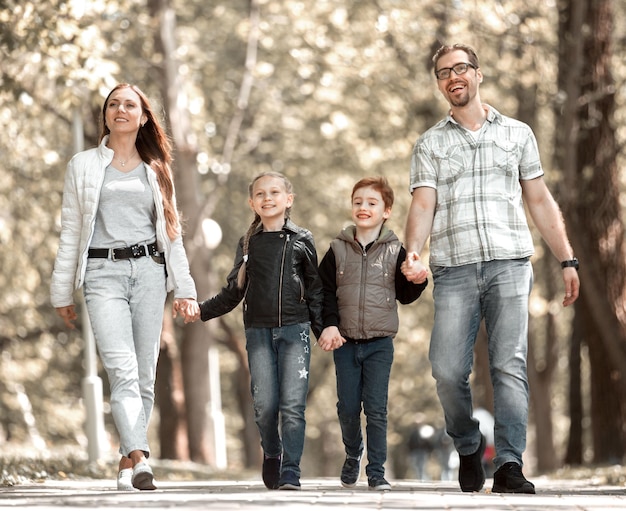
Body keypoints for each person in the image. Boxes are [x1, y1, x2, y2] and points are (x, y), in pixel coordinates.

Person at [402, 44, 580, 494]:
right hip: (454, 268)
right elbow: (423, 204)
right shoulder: (430, 143)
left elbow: (538, 199)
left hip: (509, 264)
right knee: (446, 370)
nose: (453, 76)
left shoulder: (518, 134)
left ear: (478, 75)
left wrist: (567, 258)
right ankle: (466, 444)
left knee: (509, 365)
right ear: (440, 83)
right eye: (444, 72)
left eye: (461, 68)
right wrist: (412, 253)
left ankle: (508, 465)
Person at [50, 83, 199, 491]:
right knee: (122, 369)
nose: (120, 109)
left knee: (144, 376)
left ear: (143, 116)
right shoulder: (82, 165)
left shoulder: (156, 168)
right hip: (102, 275)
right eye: (113, 104)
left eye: (129, 104)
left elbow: (172, 235)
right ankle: (142, 459)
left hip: (150, 273)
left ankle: (125, 459)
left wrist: (184, 289)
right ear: (106, 115)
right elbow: (70, 233)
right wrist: (61, 292)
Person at [189, 172, 323, 491]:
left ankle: (291, 470)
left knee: (293, 405)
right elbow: (233, 291)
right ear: (252, 203)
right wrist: (201, 309)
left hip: (296, 332)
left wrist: (324, 329)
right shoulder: (248, 242)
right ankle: (272, 452)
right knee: (265, 406)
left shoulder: (302, 239)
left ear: (288, 200)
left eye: (275, 192)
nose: (268, 198)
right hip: (259, 333)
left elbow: (316, 290)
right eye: (260, 194)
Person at [317, 176, 427, 491]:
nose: (363, 207)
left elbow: (405, 294)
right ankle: (353, 454)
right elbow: (324, 292)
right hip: (345, 343)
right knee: (348, 408)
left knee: (376, 409)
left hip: (380, 343)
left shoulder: (395, 249)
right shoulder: (337, 249)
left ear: (387, 211)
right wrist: (330, 324)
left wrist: (418, 279)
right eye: (358, 202)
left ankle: (376, 472)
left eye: (371, 203)